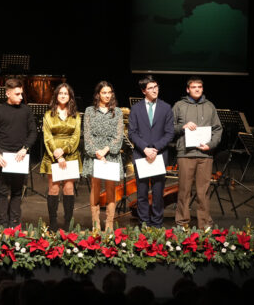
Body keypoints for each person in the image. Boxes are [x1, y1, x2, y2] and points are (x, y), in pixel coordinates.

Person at [172, 76, 222, 229]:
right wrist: (183, 126)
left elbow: (218, 129)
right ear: (188, 89)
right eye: (194, 87)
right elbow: (169, 127)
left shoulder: (210, 106)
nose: (197, 90)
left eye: (199, 87)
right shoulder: (179, 105)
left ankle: (204, 223)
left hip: (205, 155)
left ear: (202, 89)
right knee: (184, 190)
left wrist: (211, 145)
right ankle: (182, 222)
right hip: (185, 154)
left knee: (203, 192)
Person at [128, 75, 174, 227]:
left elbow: (169, 133)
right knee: (141, 193)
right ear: (143, 91)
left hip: (158, 155)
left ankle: (157, 224)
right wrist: (145, 149)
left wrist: (155, 148)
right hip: (141, 155)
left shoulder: (166, 107)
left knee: (157, 193)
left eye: (156, 87)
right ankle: (144, 224)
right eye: (150, 88)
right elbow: (132, 133)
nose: (155, 90)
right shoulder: (135, 109)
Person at [0, 78, 37, 227]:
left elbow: (33, 132)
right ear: (8, 93)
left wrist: (25, 148)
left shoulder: (26, 110)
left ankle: (14, 225)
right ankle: (2, 226)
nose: (21, 97)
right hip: (3, 156)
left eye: (21, 94)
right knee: (3, 192)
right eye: (17, 94)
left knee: (17, 192)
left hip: (20, 156)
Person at [82, 81, 124, 232]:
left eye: (109, 92)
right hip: (95, 154)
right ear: (98, 94)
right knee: (95, 187)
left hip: (110, 154)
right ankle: (96, 224)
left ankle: (109, 224)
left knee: (111, 189)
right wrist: (97, 153)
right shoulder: (89, 111)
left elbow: (119, 136)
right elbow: (87, 135)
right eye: (104, 92)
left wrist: (106, 150)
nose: (107, 95)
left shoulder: (117, 112)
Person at [39, 83, 81, 231]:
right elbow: (47, 137)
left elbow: (75, 137)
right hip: (53, 155)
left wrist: (63, 151)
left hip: (70, 155)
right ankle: (53, 223)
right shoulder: (48, 115)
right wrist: (57, 155)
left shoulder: (75, 115)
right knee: (54, 189)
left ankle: (68, 223)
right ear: (56, 96)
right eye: (60, 93)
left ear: (70, 97)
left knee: (69, 189)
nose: (63, 95)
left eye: (66, 93)